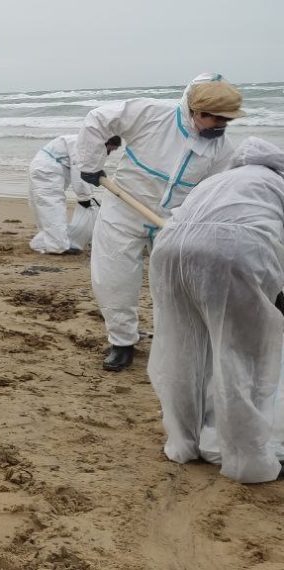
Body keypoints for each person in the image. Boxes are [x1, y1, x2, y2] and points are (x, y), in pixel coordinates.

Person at [74, 74, 242, 371]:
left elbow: (213, 194)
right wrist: (90, 164)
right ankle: (122, 341)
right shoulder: (152, 114)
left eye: (226, 121)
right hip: (124, 206)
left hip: (174, 220)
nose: (221, 126)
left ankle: (174, 344)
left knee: (175, 286)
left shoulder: (223, 150)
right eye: (215, 119)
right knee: (114, 278)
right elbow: (98, 119)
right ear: (195, 112)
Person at [147, 137, 284, 484]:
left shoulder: (219, 180)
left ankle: (185, 442)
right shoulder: (277, 182)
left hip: (169, 251)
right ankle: (248, 461)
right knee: (242, 357)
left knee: (184, 350)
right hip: (233, 252)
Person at [28, 134, 121, 254]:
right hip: (47, 170)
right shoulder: (85, 145)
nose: (109, 153)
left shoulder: (86, 142)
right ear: (106, 143)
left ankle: (51, 241)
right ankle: (58, 246)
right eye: (111, 149)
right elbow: (79, 169)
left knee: (45, 207)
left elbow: (84, 168)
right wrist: (85, 197)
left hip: (45, 167)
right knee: (52, 207)